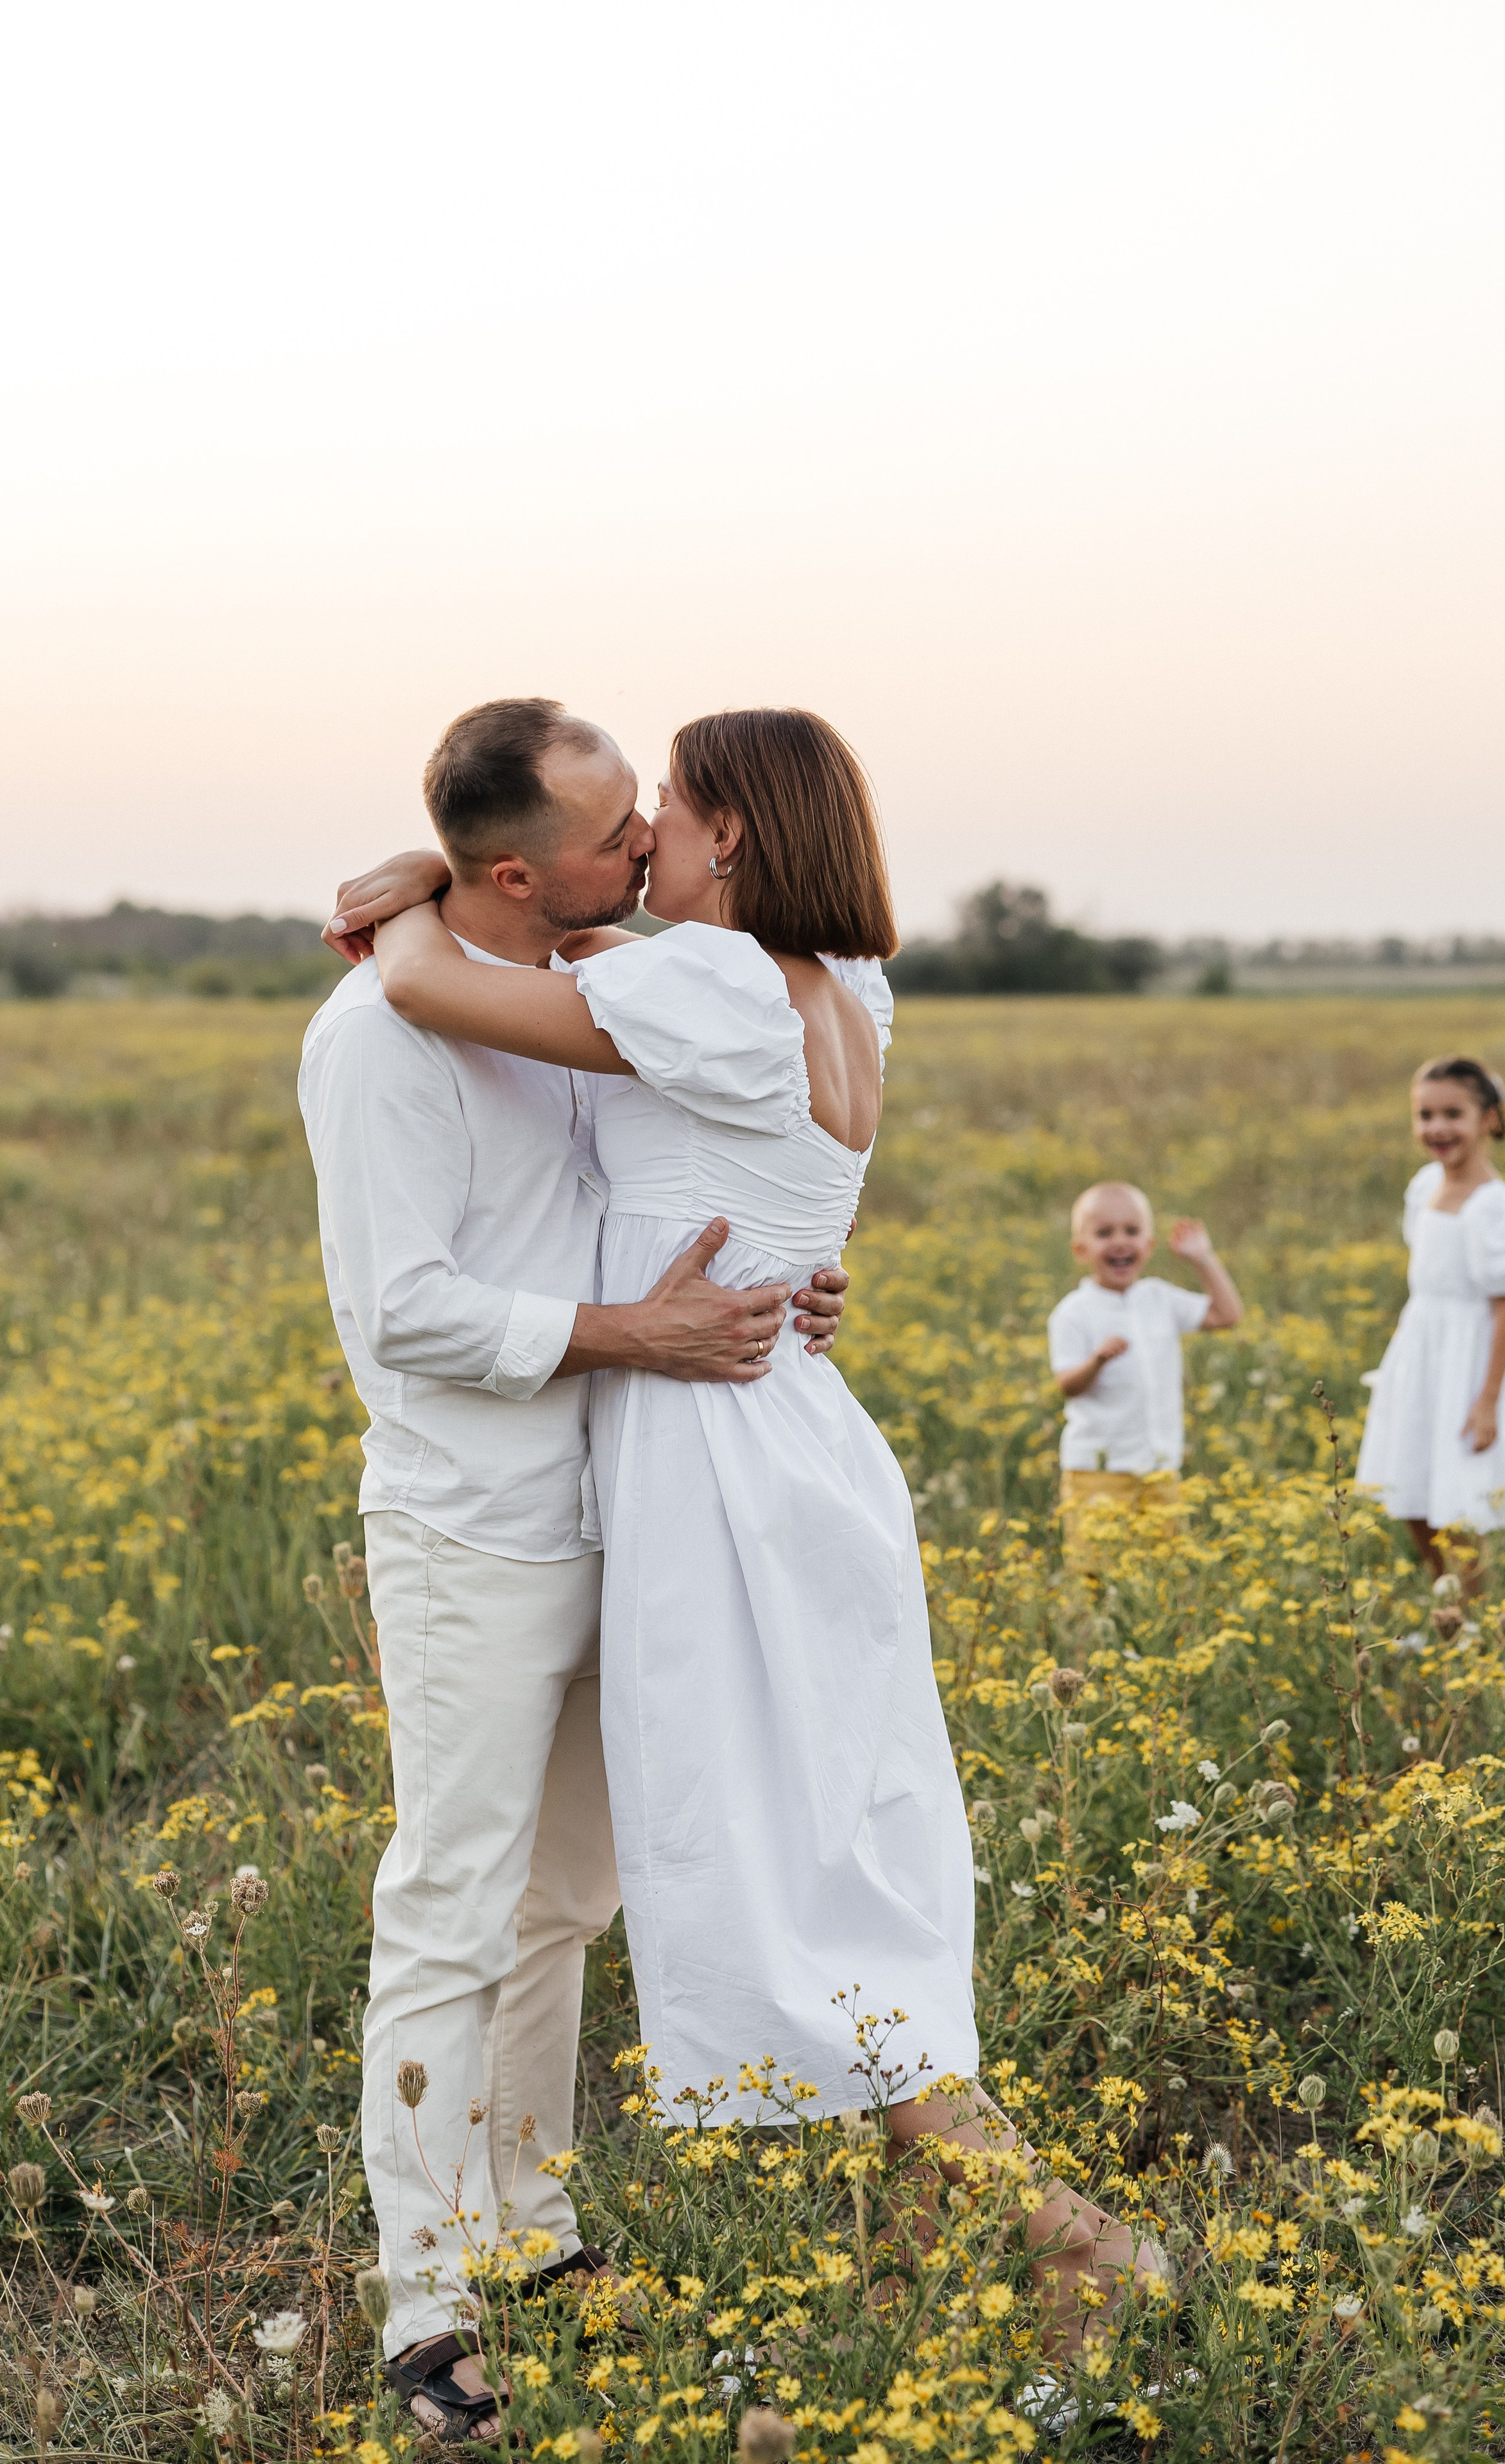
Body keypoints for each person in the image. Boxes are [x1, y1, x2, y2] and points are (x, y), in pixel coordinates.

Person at [361, 705, 1163, 2378]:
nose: (648, 831)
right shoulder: (847, 985)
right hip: (791, 1424)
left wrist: (420, 887)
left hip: (708, 1451)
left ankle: (1061, 2230)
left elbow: (431, 983)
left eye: (672, 806)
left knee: (778, 1869)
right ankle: (978, 2217)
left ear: (734, 832)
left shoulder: (711, 984)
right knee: (825, 1844)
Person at [300, 697, 851, 2440]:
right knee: (453, 1904)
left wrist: (771, 1288)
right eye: (617, 832)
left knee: (566, 1905)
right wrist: (646, 1332)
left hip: (626, 1507)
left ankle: (530, 2234)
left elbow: (672, 1183)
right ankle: (421, 2303)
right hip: (472, 1528)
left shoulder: (588, 989)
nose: (647, 849)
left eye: (649, 819)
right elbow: (405, 1312)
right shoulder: (380, 1043)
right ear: (527, 867)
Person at [1356, 1055, 1505, 1593]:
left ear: (1490, 1119)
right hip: (1421, 1353)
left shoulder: (1496, 1208)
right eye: (1424, 1115)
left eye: (1452, 1114)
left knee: (1456, 1505)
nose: (1436, 1128)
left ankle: (1478, 1620)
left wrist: (1487, 1401)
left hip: (1469, 1363)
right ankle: (1446, 1607)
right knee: (1410, 1490)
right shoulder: (1424, 1187)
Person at [1048, 1182, 1242, 1577]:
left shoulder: (1160, 1298)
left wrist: (1203, 1260)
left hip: (1159, 1468)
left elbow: (1227, 1316)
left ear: (1149, 1245)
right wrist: (1097, 1361)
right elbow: (1066, 1385)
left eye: (1132, 1231)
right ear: (1080, 1249)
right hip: (1097, 1472)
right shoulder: (1073, 1313)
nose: (1120, 1242)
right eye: (1104, 1233)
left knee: (1166, 1574)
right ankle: (1096, 1638)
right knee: (1096, 1574)